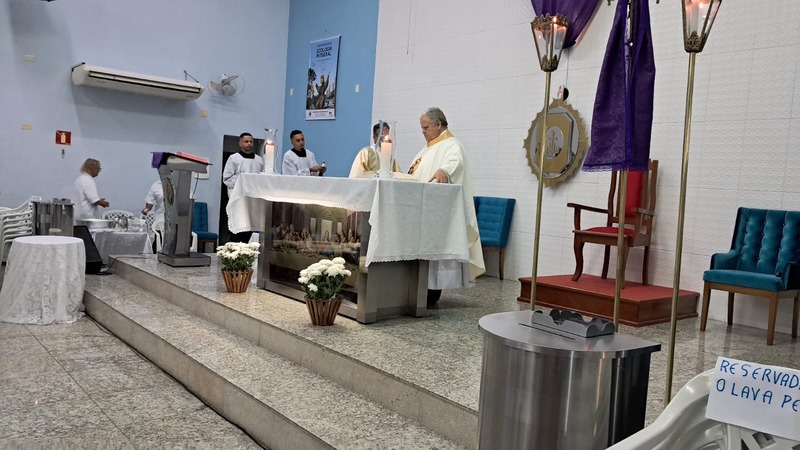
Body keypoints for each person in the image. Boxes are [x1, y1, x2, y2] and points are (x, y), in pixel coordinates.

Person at [408, 107, 485, 306]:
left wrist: (444, 171)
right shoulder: (426, 149)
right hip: (421, 211)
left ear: (438, 124)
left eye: (426, 127)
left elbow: (454, 163)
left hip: (437, 214)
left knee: (434, 253)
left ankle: (431, 293)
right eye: (422, 128)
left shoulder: (452, 145)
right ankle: (413, 290)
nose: (423, 132)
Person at [223, 132, 264, 243]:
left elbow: (262, 177)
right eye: (246, 141)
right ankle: (232, 248)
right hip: (238, 197)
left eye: (251, 141)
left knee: (250, 226)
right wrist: (243, 181)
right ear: (240, 143)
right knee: (237, 227)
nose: (249, 144)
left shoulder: (259, 160)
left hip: (253, 198)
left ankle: (245, 248)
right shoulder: (234, 158)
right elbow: (227, 178)